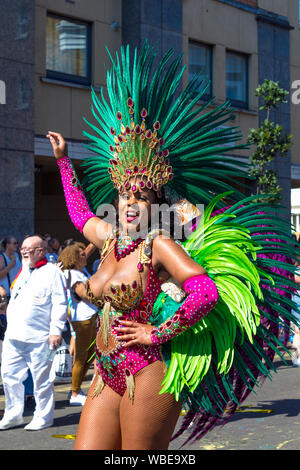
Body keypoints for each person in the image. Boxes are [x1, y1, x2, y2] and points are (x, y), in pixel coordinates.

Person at [47, 43, 300, 450]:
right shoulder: (109, 239)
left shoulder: (158, 245)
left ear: (156, 205)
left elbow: (206, 291)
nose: (131, 203)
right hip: (106, 372)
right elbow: (79, 215)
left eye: (143, 197)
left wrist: (155, 332)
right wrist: (63, 162)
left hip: (148, 373)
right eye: (126, 195)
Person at [0, 235, 68, 431]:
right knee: (9, 375)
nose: (24, 251)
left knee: (42, 379)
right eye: (22, 247)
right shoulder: (23, 271)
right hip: (14, 336)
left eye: (29, 248)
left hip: (40, 337)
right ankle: (13, 414)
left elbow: (59, 302)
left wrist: (56, 330)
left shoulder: (52, 272)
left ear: (41, 250)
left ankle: (43, 416)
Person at [58, 242, 97, 406]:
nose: (84, 255)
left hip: (88, 317)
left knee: (90, 355)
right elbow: (85, 294)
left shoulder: (80, 271)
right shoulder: (74, 274)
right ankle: (74, 393)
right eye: (81, 254)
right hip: (83, 319)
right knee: (81, 357)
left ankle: (77, 389)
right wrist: (104, 299)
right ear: (74, 258)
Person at [0, 236, 22, 301]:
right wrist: (10, 266)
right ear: (7, 244)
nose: (17, 245)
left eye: (17, 243)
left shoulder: (17, 255)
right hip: (6, 294)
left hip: (17, 292)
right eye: (14, 243)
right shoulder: (2, 257)